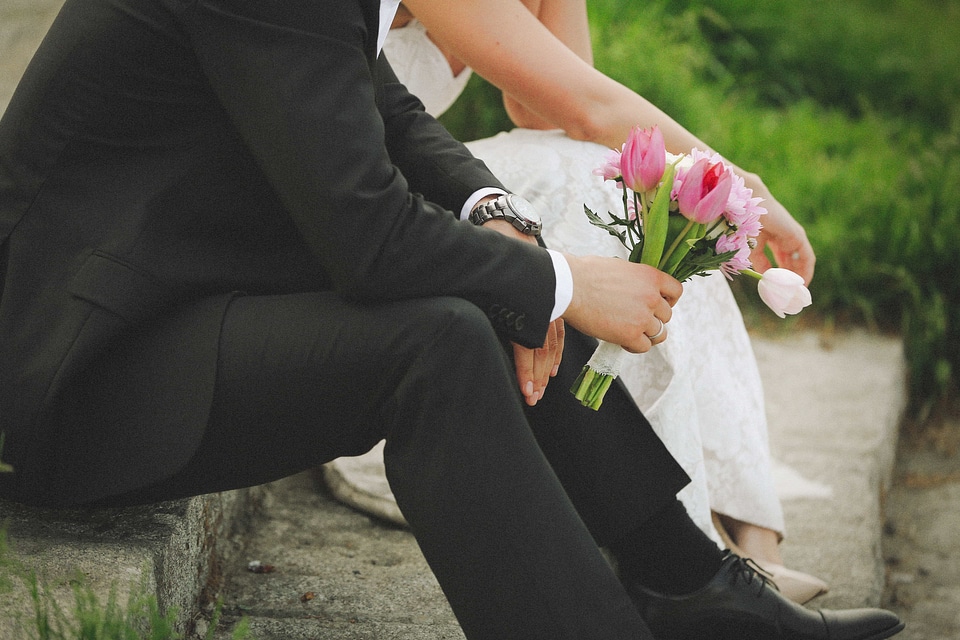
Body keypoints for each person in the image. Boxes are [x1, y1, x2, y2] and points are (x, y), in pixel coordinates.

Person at [0, 1, 903, 639]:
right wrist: (558, 282)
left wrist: (492, 210)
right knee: (438, 342)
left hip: (181, 302)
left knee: (487, 291)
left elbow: (382, 103)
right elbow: (367, 236)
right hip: (85, 375)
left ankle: (687, 581)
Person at [320, 0, 830, 604]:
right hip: (365, 202)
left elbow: (540, 112)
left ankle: (746, 537)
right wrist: (741, 187)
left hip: (421, 178)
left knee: (630, 188)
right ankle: (688, 546)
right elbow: (589, 111)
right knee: (605, 182)